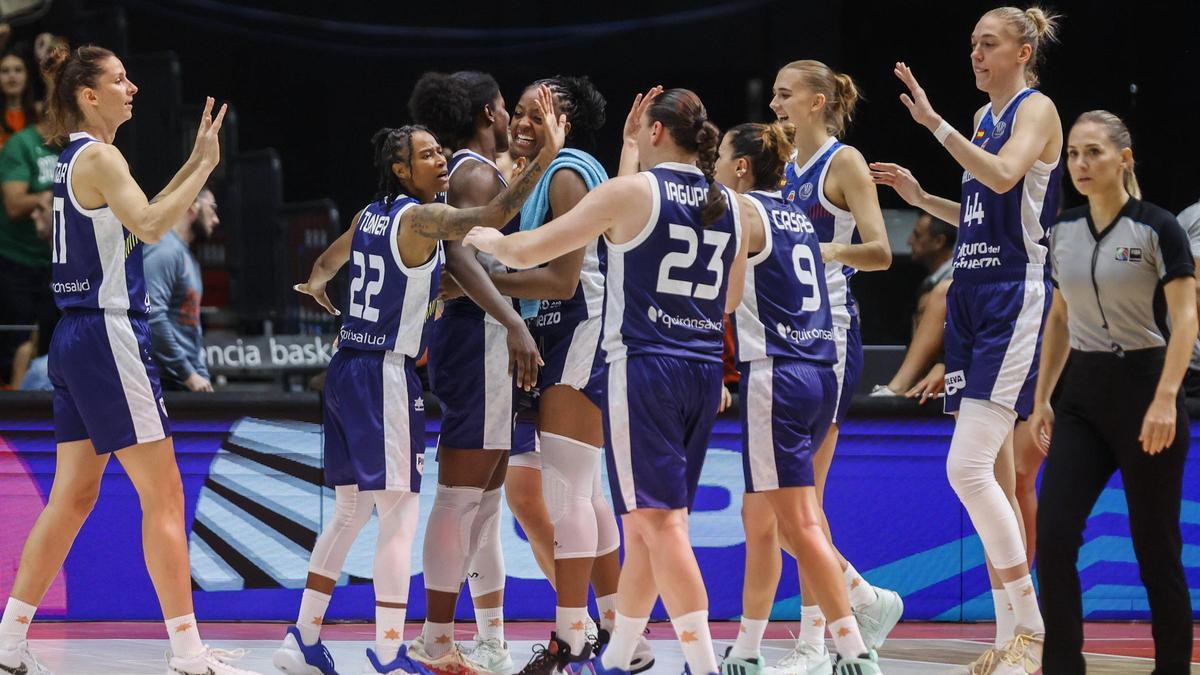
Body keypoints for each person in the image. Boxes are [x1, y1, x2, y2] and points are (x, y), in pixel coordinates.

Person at [467, 86, 749, 675]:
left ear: (653, 132)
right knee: (645, 518)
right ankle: (623, 649)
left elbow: (531, 250)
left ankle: (694, 661)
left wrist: (485, 241)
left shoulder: (624, 189)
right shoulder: (730, 205)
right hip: (702, 369)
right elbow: (730, 299)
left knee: (652, 520)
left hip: (642, 364)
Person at [0, 45, 259, 675]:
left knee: (74, 496)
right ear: (89, 96)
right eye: (119, 80)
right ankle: (187, 649)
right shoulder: (101, 155)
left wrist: (197, 163)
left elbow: (140, 215)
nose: (132, 87)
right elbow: (149, 225)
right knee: (164, 495)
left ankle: (9, 637)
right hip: (110, 336)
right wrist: (201, 170)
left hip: (74, 337)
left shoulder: (73, 159)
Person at [874, 6, 1062, 673]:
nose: (976, 55)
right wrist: (924, 198)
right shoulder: (983, 121)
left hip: (1015, 294)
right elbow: (981, 214)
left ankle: (1030, 627)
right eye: (972, 45)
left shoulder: (1034, 112)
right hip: (973, 296)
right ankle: (1011, 638)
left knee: (969, 467)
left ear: (1024, 49)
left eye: (989, 45)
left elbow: (1008, 176)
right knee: (998, 477)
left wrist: (933, 125)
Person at [1030, 111, 1195, 675]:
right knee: (1052, 536)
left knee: (1155, 550)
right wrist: (1043, 396)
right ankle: (1062, 668)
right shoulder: (1064, 230)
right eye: (1074, 153)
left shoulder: (1158, 228)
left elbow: (1187, 319)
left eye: (1094, 152)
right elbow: (1058, 316)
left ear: (1123, 159)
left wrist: (1167, 398)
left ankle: (1172, 667)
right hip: (1081, 395)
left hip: (1146, 388)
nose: (1081, 164)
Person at [717, 121, 884, 675]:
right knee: (760, 519)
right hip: (817, 370)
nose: (714, 165)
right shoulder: (795, 213)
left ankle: (850, 646)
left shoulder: (746, 213)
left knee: (797, 524)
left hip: (776, 373)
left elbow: (732, 297)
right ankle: (747, 647)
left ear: (742, 166)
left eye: (719, 156)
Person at [481, 76, 634, 675]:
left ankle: (574, 635)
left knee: (573, 490)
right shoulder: (549, 170)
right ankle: (620, 631)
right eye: (515, 112)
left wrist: (477, 287)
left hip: (582, 326)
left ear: (561, 117)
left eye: (531, 112)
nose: (517, 122)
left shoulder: (569, 173)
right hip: (558, 331)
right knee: (579, 491)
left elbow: (564, 281)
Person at [767, 59, 901, 670]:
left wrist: (821, 248)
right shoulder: (782, 166)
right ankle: (865, 600)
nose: (775, 103)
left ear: (817, 102)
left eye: (784, 94)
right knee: (793, 506)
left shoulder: (841, 163)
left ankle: (815, 642)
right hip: (786, 336)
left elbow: (880, 251)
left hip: (833, 334)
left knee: (803, 502)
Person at [408, 70, 541, 674]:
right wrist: (512, 322)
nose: (512, 118)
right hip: (479, 341)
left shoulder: (462, 172)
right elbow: (458, 253)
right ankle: (435, 641)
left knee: (484, 504)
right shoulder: (476, 172)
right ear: (488, 111)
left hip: (468, 341)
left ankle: (488, 636)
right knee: (462, 500)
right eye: (506, 107)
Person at [143, 186, 219, 392]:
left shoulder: (187, 257)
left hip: (184, 381)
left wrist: (200, 373)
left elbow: (192, 328)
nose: (216, 220)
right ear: (192, 205)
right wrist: (189, 375)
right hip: (162, 382)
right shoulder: (165, 250)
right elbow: (153, 316)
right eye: (212, 209)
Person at [871, 212, 955, 396]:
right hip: (928, 380)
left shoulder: (955, 282)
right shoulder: (927, 284)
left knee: (940, 295)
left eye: (917, 235)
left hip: (957, 369)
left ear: (939, 241)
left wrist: (945, 363)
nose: (909, 241)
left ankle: (897, 389)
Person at [0, 51, 35, 148]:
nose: (12, 75)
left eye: (18, 70)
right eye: (5, 71)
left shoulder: (39, 114)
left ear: (27, 76)